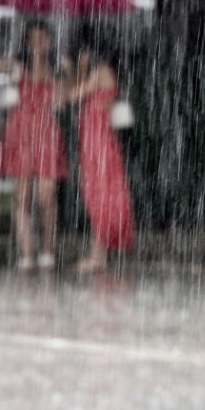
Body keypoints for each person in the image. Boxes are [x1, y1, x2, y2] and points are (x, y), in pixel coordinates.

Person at [0, 20, 69, 271]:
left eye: (41, 38)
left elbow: (63, 103)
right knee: (22, 196)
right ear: (26, 42)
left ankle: (48, 248)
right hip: (20, 132)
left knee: (46, 197)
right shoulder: (17, 68)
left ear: (49, 42)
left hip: (47, 133)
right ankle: (26, 252)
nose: (37, 43)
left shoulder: (57, 71)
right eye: (32, 38)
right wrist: (3, 66)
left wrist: (69, 73)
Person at [66, 38, 135, 273]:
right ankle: (98, 253)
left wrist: (76, 69)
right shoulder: (103, 72)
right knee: (98, 195)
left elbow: (72, 95)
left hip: (99, 145)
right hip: (95, 143)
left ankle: (98, 255)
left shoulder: (102, 71)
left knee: (100, 194)